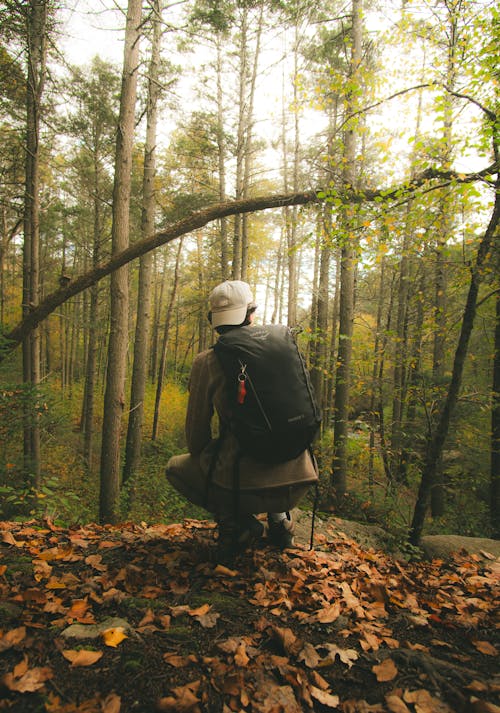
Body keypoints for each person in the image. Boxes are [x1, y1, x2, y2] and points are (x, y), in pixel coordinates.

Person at [166, 280, 318, 561]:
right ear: (251, 313)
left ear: (214, 320)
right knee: (271, 444)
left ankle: (238, 523)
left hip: (241, 487)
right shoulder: (284, 348)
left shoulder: (207, 361)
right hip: (301, 479)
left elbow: (196, 440)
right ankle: (280, 521)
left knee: (175, 467)